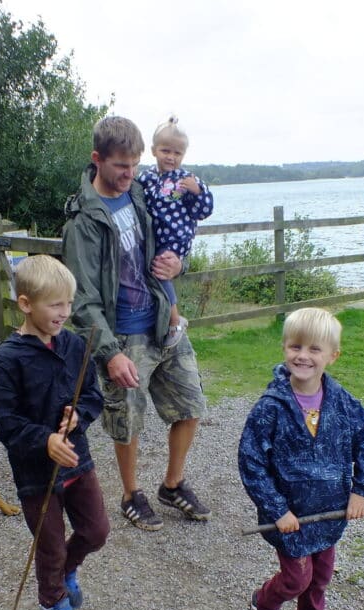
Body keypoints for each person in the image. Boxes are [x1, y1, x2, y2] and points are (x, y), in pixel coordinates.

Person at [63, 115, 210, 532]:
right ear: (97, 159)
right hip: (122, 334)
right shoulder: (82, 223)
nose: (129, 174)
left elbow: (176, 233)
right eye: (120, 166)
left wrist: (179, 263)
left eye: (134, 164)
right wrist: (109, 354)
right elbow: (82, 300)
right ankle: (131, 494)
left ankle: (172, 484)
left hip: (162, 319)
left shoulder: (142, 194)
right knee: (127, 420)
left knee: (191, 405)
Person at [239, 307, 364, 610]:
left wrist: (361, 489)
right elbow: (252, 463)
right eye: (296, 346)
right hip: (290, 518)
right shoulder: (270, 407)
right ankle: (263, 604)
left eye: (315, 349)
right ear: (284, 347)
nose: (303, 356)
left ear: (333, 355)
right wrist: (276, 508)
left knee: (321, 576)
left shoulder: (344, 404)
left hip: (330, 512)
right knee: (296, 578)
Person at [0, 255, 108, 610]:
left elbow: (92, 396)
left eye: (68, 304)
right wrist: (45, 440)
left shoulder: (74, 344)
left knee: (96, 531)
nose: (65, 312)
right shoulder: (6, 360)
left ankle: (66, 573)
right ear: (25, 304)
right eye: (55, 305)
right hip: (36, 474)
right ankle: (50, 600)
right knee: (51, 543)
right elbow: (6, 423)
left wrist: (78, 417)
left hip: (77, 459)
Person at [136, 115, 214, 347]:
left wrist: (199, 191)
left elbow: (204, 211)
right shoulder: (145, 178)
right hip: (153, 237)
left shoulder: (187, 180)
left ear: (183, 155)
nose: (171, 157)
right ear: (153, 150)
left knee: (161, 271)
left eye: (177, 153)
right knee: (152, 273)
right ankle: (164, 319)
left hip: (175, 238)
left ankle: (174, 319)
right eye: (165, 151)